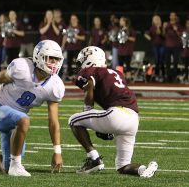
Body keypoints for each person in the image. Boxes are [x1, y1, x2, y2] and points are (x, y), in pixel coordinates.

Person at [0, 40, 65, 176]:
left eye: (57, 59)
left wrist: (57, 152)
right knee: (24, 120)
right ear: (39, 56)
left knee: (6, 167)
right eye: (50, 58)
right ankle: (16, 165)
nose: (54, 63)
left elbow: (53, 121)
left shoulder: (55, 86)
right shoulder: (22, 68)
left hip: (16, 124)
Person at [68, 46, 158, 177]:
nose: (79, 65)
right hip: (133, 118)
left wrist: (88, 110)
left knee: (74, 120)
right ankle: (143, 170)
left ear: (90, 60)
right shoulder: (116, 73)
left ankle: (94, 159)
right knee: (122, 165)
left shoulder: (91, 70)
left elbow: (89, 86)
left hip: (117, 114)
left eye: (81, 61)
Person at [144, 15, 165, 82]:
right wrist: (147, 35)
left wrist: (159, 28)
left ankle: (163, 75)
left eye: (156, 19)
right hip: (155, 45)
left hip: (162, 45)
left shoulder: (162, 27)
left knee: (161, 60)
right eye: (154, 19)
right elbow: (149, 36)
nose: (155, 20)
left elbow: (163, 35)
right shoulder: (152, 28)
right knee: (156, 60)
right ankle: (156, 74)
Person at [163, 12, 182, 82]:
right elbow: (163, 34)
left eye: (173, 15)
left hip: (176, 46)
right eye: (171, 15)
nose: (172, 16)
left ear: (175, 16)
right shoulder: (167, 24)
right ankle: (168, 76)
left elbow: (180, 35)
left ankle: (174, 76)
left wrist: (176, 29)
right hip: (168, 45)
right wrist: (163, 28)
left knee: (175, 62)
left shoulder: (178, 25)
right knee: (167, 62)